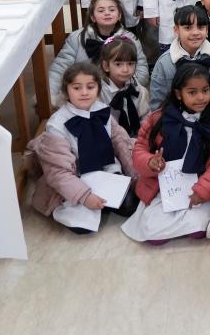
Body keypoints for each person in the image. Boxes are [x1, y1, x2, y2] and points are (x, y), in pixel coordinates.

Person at [122, 63, 210, 243]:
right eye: (192, 92)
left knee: (199, 227)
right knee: (150, 229)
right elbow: (139, 150)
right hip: (162, 186)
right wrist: (150, 162)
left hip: (198, 184)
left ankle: (193, 222)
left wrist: (204, 190)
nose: (201, 97)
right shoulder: (159, 118)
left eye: (205, 91)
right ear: (178, 94)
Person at [27, 62, 138, 234]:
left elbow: (121, 143)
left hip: (106, 172)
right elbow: (58, 172)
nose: (84, 92)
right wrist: (84, 196)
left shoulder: (103, 111)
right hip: (76, 177)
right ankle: (90, 202)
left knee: (130, 205)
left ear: (98, 89)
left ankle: (105, 200)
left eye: (90, 87)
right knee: (82, 226)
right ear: (66, 91)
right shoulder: (56, 125)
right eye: (77, 88)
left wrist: (134, 175)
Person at [49, 0, 148, 105]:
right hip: (84, 94)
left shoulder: (130, 39)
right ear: (92, 17)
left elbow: (142, 70)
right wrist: (50, 95)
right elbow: (60, 67)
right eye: (101, 10)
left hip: (119, 94)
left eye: (112, 10)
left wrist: (125, 84)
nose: (107, 13)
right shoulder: (77, 37)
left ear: (119, 15)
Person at [148, 4, 210, 112]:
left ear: (207, 30)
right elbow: (158, 105)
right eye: (188, 28)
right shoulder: (164, 63)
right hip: (175, 124)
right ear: (176, 30)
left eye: (200, 27)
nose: (195, 33)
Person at [98, 37, 150, 138]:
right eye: (118, 64)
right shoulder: (99, 93)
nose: (125, 69)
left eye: (130, 64)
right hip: (110, 141)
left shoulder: (139, 91)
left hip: (137, 141)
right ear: (106, 66)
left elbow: (146, 118)